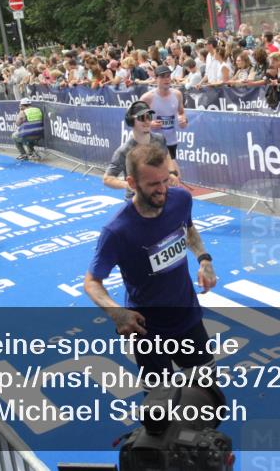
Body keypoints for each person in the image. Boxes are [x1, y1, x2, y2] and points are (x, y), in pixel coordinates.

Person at [84, 143, 217, 382]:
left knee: (206, 394)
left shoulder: (181, 200)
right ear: (132, 183)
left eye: (166, 180)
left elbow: (188, 228)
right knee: (160, 407)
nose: (163, 190)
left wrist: (204, 259)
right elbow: (92, 282)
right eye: (153, 185)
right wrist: (117, 314)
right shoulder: (117, 231)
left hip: (187, 317)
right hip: (148, 330)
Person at [104, 101, 178, 199]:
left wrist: (172, 173)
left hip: (159, 195)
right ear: (131, 121)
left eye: (149, 117)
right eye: (142, 118)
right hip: (136, 201)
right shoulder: (124, 150)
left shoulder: (159, 139)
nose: (147, 121)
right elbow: (107, 178)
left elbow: (166, 155)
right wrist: (127, 185)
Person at [140, 65, 188, 175]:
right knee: (163, 174)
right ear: (156, 79)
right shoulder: (147, 97)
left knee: (171, 176)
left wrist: (183, 119)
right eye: (163, 77)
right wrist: (149, 123)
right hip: (153, 143)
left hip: (171, 142)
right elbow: (135, 118)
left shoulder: (177, 94)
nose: (167, 79)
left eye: (168, 76)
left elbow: (181, 112)